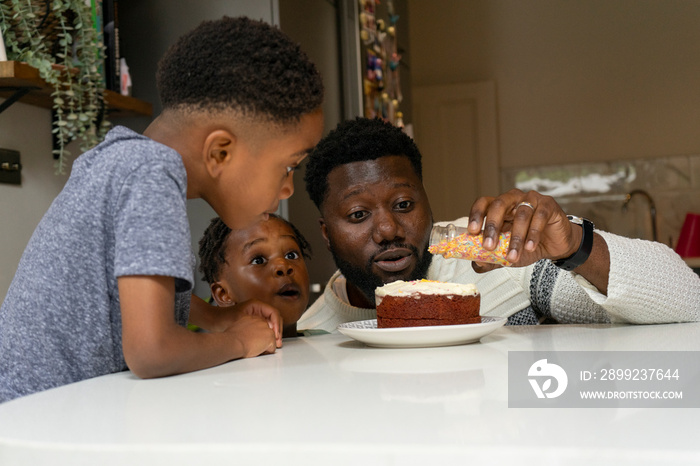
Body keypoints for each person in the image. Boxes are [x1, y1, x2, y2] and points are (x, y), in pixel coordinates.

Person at [0, 16, 325, 403]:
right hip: (38, 422)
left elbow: (124, 292)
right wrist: (237, 341)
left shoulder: (122, 158)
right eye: (288, 166)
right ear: (221, 152)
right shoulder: (152, 175)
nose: (287, 187)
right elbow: (150, 351)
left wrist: (217, 319)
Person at [297, 117, 700, 332]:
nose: (388, 230)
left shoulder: (500, 259)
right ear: (326, 232)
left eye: (404, 204)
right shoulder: (317, 332)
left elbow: (689, 301)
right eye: (358, 215)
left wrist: (573, 245)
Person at [198, 215, 312, 338]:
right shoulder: (221, 356)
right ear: (223, 294)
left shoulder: (328, 343)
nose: (283, 266)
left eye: (291, 255)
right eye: (258, 260)